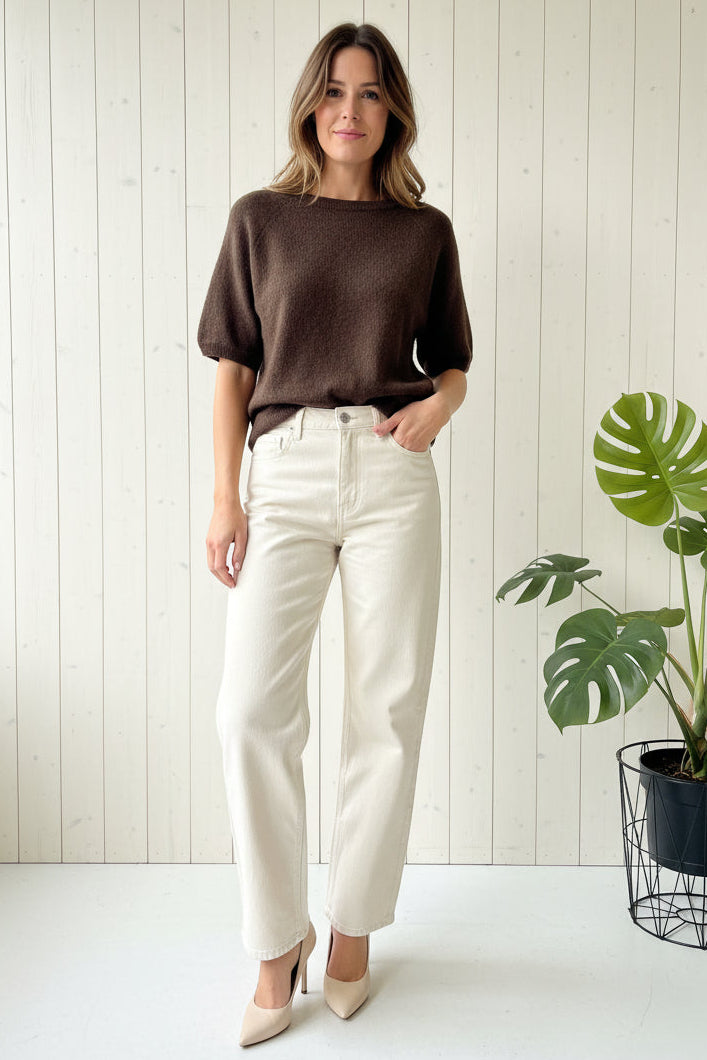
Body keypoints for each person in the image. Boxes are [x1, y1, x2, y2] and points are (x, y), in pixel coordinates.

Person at [197, 20, 472, 1048]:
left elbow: (449, 360)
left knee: (384, 710)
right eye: (331, 92)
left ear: (390, 108)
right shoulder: (258, 220)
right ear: (309, 105)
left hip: (393, 471)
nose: (347, 109)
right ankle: (279, 941)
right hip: (287, 467)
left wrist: (439, 407)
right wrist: (226, 499)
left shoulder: (422, 232)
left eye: (366, 93)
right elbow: (231, 367)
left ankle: (351, 927)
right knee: (248, 713)